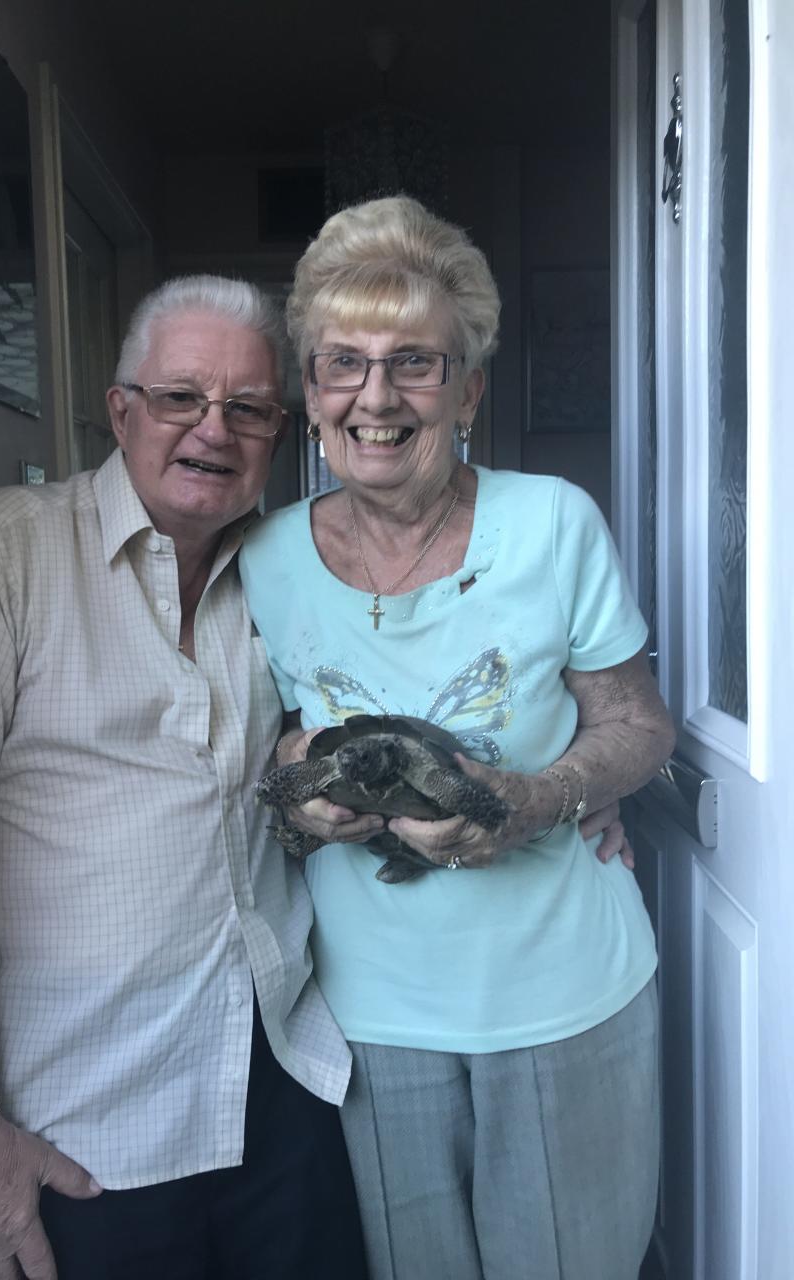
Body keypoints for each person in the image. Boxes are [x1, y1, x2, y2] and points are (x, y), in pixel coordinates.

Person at [0, 275, 369, 1280]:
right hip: (87, 1133)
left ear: (279, 431)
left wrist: (574, 780)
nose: (211, 430)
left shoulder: (290, 570)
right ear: (121, 409)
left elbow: (423, 692)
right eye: (181, 396)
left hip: (279, 1088)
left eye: (247, 407)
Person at [239, 196, 677, 1280]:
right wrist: (303, 797)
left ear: (470, 387)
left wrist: (541, 796)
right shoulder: (266, 556)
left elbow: (637, 721)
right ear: (309, 391)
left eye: (415, 363)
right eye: (343, 361)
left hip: (568, 993)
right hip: (369, 1019)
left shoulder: (553, 522)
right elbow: (272, 746)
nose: (375, 395)